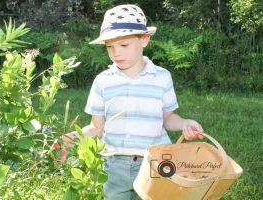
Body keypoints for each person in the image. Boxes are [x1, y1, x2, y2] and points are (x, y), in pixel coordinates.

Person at [49, 4, 204, 200]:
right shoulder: (103, 81)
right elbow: (97, 128)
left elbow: (168, 118)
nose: (116, 53)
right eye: (109, 47)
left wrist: (184, 124)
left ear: (144, 39)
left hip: (154, 163)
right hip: (114, 166)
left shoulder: (162, 78)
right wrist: (73, 137)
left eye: (123, 45)